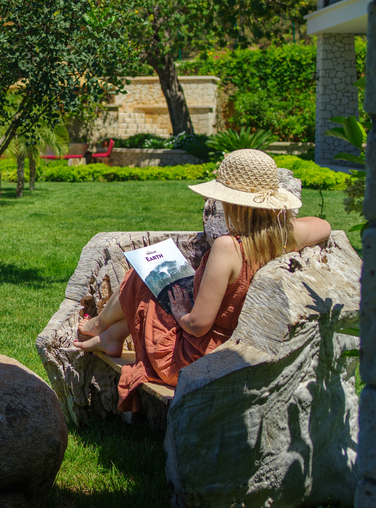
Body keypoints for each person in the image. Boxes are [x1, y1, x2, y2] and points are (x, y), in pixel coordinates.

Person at [74, 148, 331, 412]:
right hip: (239, 345)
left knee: (142, 275)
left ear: (232, 202)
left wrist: (181, 311)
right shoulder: (284, 237)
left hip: (198, 360)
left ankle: (98, 326)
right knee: (153, 288)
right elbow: (324, 225)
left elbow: (198, 325)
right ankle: (111, 335)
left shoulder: (229, 247)